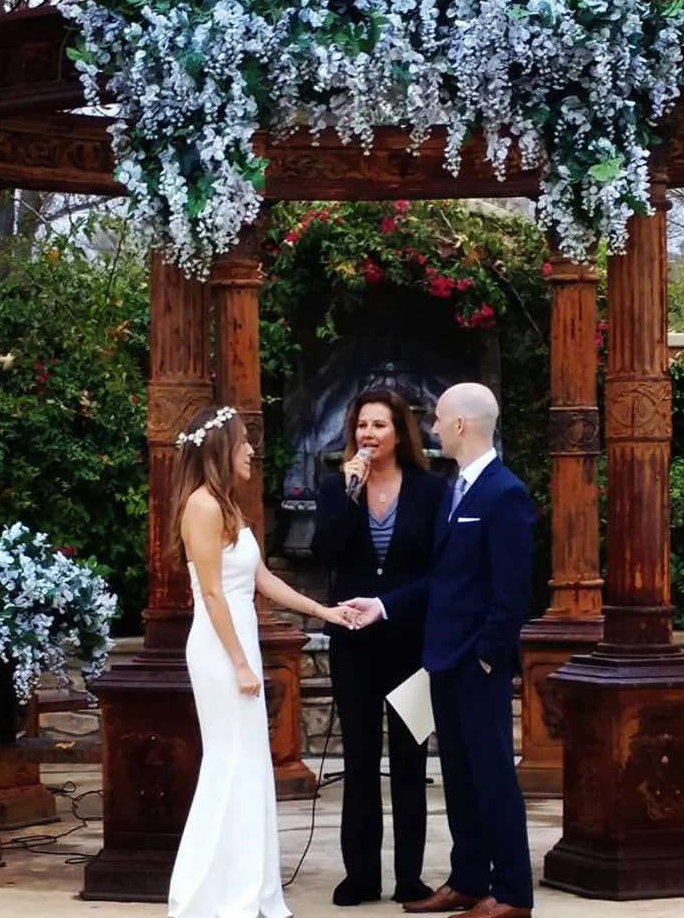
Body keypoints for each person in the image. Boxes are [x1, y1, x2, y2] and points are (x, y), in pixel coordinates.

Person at [346, 383, 536, 918]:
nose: (431, 428)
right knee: (460, 775)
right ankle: (469, 879)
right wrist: (382, 605)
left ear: (460, 425)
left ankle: (513, 892)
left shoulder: (504, 493)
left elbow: (512, 592)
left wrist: (486, 655)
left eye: (438, 419)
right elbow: (443, 579)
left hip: (476, 664)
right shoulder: (457, 489)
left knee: (492, 776)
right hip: (444, 661)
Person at [167, 404, 354, 918]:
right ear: (220, 449)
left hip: (238, 644)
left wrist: (325, 612)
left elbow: (262, 581)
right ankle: (210, 892)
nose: (251, 450)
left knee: (250, 766)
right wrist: (240, 664)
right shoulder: (202, 506)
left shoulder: (228, 506)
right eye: (243, 442)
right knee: (229, 763)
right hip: (219, 649)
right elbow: (211, 592)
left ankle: (249, 886)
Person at [312, 388, 446, 907]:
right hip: (355, 644)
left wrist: (391, 605)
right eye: (362, 425)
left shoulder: (431, 490)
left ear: (399, 432)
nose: (368, 434)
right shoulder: (335, 487)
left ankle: (410, 876)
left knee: (410, 759)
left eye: (379, 425)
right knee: (361, 757)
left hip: (411, 642)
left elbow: (438, 569)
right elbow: (325, 551)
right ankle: (361, 875)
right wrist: (351, 494)